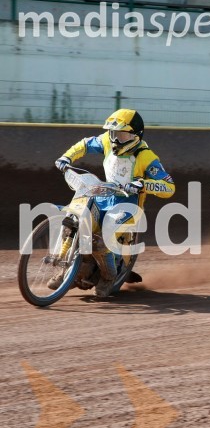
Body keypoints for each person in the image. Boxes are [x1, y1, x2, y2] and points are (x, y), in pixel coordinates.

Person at [52, 109, 175, 296]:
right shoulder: (106, 141)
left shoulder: (146, 157)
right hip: (103, 196)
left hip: (129, 205)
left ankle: (108, 277)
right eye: (113, 134)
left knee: (102, 237)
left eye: (123, 135)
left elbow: (169, 187)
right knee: (73, 222)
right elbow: (84, 145)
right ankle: (63, 270)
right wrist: (66, 157)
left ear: (136, 136)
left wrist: (142, 184)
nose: (116, 140)